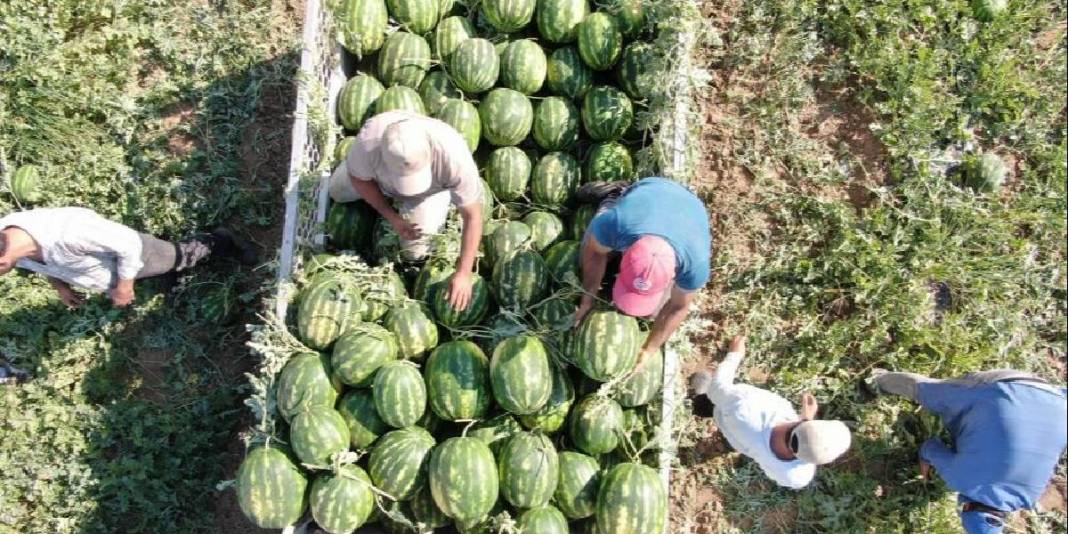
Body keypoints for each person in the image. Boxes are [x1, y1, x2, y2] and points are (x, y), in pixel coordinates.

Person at [869, 367, 1067, 533]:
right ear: (967, 507)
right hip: (1002, 387)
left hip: (1057, 400)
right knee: (927, 392)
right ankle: (877, 379)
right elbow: (929, 447)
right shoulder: (964, 480)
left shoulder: (1031, 496)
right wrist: (925, 465)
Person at [329, 111, 483, 311]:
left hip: (429, 193)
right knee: (336, 191)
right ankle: (380, 188)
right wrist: (391, 216)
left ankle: (445, 198)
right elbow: (359, 179)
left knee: (413, 252)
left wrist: (463, 273)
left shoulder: (454, 157)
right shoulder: (370, 141)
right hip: (379, 181)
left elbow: (473, 217)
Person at [573, 177, 711, 365]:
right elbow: (595, 253)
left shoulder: (695, 265)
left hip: (688, 206)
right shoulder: (616, 224)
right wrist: (586, 299)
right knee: (584, 255)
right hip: (650, 190)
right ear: (625, 252)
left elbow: (678, 307)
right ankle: (614, 194)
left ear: (673, 275)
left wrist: (650, 349)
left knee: (653, 314)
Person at [0, 206, 255, 308]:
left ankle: (221, 240)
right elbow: (38, 264)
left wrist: (124, 288)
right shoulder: (11, 245)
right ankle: (169, 272)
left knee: (180, 256)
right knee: (161, 269)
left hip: (136, 252)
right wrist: (60, 285)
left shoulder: (69, 233)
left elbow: (128, 246)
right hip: (110, 267)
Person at [690, 335, 852, 489]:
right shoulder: (798, 477)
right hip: (745, 444)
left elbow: (718, 389)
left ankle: (696, 400)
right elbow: (798, 445)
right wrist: (806, 419)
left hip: (726, 415)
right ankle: (728, 442)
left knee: (709, 400)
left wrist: (735, 354)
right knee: (740, 441)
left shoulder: (745, 408)